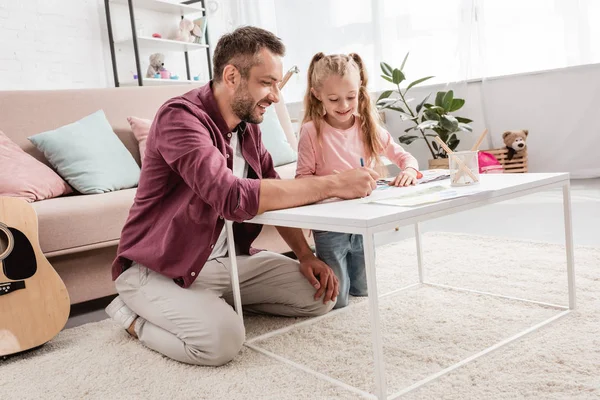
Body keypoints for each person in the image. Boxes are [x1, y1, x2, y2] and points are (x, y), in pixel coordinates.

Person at [105, 27, 380, 366]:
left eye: (278, 84)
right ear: (232, 76)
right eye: (267, 83)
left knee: (322, 296)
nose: (276, 96)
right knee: (223, 342)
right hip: (161, 267)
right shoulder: (180, 118)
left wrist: (305, 255)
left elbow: (273, 187)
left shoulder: (248, 128)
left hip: (228, 262)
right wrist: (332, 184)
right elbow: (229, 195)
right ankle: (132, 317)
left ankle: (212, 305)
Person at [295, 52, 420, 309]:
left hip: (363, 223)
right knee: (336, 301)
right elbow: (302, 180)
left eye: (350, 97)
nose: (343, 105)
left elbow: (405, 157)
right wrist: (335, 184)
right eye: (334, 99)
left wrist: (409, 170)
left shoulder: (368, 127)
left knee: (364, 291)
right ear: (318, 94)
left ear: (360, 92)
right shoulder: (311, 131)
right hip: (330, 227)